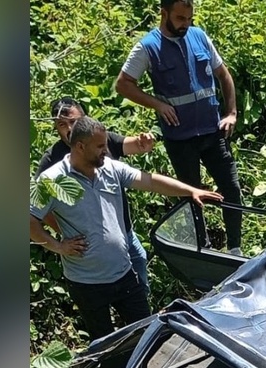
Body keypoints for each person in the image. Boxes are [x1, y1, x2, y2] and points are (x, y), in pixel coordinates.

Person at [29, 116, 222, 340]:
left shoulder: (109, 168)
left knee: (145, 335)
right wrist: (59, 247)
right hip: (86, 283)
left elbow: (149, 181)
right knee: (103, 343)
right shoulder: (52, 179)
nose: (105, 150)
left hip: (123, 273)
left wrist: (191, 191)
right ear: (80, 147)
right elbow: (30, 220)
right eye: (100, 146)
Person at [115, 0, 245, 255]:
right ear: (164, 14)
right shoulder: (147, 47)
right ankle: (203, 250)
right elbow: (123, 85)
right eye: (180, 18)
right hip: (180, 138)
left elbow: (224, 75)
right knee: (190, 196)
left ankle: (236, 250)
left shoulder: (199, 36)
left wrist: (231, 112)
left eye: (189, 18)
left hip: (212, 131)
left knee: (231, 189)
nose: (186, 24)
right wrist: (157, 105)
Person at [35, 96, 157, 297]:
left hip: (125, 234)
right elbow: (37, 208)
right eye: (62, 124)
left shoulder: (103, 140)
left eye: (73, 122)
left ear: (85, 119)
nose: (69, 129)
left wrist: (144, 143)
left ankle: (145, 323)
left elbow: (130, 144)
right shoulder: (52, 160)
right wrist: (63, 234)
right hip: (89, 250)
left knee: (139, 282)